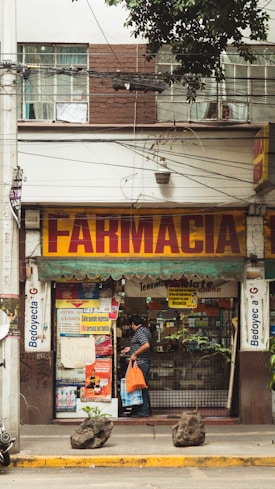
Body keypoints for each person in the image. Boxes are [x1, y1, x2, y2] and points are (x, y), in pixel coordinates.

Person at [121, 314, 151, 417]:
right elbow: (141, 344)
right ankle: (138, 410)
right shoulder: (145, 330)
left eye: (131, 325)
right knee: (139, 387)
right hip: (142, 362)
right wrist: (131, 348)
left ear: (133, 324)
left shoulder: (139, 332)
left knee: (140, 387)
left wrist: (135, 354)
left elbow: (146, 345)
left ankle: (143, 411)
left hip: (141, 363)